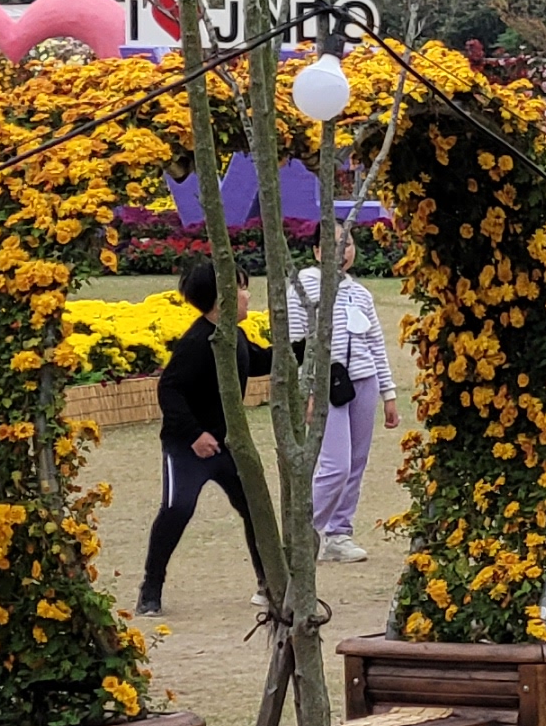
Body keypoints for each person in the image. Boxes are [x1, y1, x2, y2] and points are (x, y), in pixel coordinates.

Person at [139, 257, 269, 619]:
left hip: (228, 446)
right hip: (187, 447)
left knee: (255, 508)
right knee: (177, 509)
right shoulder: (196, 342)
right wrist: (195, 434)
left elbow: (259, 361)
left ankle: (268, 582)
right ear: (220, 297)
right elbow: (169, 390)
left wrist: (305, 350)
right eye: (241, 288)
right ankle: (151, 587)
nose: (247, 295)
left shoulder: (235, 335)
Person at [286, 253, 394, 561]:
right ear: (317, 251)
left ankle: (338, 533)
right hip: (323, 384)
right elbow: (296, 342)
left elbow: (375, 343)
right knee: (336, 466)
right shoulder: (303, 286)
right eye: (334, 243)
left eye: (348, 243)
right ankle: (302, 536)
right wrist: (306, 390)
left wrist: (388, 393)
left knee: (356, 464)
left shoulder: (359, 292)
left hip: (363, 380)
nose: (343, 250)